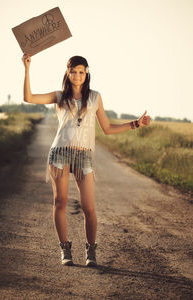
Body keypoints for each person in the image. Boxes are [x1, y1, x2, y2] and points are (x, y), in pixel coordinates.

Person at [22, 53, 150, 267]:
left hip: (84, 155)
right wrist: (26, 68)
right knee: (59, 202)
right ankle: (65, 248)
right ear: (67, 73)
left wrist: (135, 123)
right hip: (60, 152)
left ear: (86, 73)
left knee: (88, 206)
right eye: (73, 71)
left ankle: (91, 251)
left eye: (81, 72)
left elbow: (107, 129)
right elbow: (29, 97)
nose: (77, 75)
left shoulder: (95, 97)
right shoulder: (59, 96)